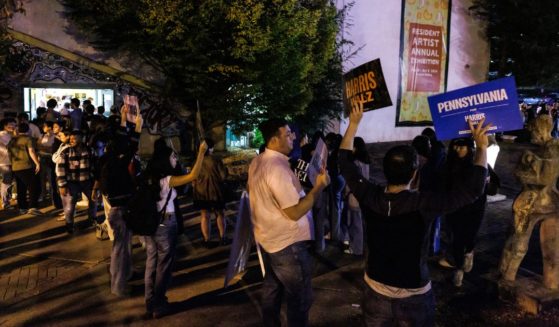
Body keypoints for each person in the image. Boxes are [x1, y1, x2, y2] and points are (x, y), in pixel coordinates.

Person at [339, 103, 490, 326]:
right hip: (413, 295)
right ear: (414, 173)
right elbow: (472, 190)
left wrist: (353, 124)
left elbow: (344, 163)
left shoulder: (369, 194)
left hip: (374, 288)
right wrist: (482, 148)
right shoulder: (424, 203)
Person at [248, 118, 330, 327]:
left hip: (269, 240)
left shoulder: (258, 161)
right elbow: (294, 212)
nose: (293, 137)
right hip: (288, 246)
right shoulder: (277, 169)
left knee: (272, 291)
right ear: (274, 140)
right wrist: (318, 187)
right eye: (287, 134)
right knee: (300, 299)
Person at [143, 140, 207, 318]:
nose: (175, 159)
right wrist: (201, 152)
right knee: (164, 266)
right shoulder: (167, 180)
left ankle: (149, 301)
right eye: (172, 156)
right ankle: (158, 304)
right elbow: (193, 176)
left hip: (151, 224)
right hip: (166, 224)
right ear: (165, 159)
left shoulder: (149, 177)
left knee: (152, 263)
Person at [99, 105, 143, 296]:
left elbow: (125, 141)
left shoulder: (106, 160)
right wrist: (138, 126)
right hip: (120, 209)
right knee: (120, 249)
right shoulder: (118, 163)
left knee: (123, 246)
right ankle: (118, 286)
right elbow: (132, 144)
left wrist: (125, 117)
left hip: (117, 208)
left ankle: (127, 274)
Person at [441, 137, 491, 287]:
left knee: (469, 235)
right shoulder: (449, 165)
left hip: (474, 209)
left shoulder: (478, 164)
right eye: (455, 147)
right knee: (456, 239)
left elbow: (488, 185)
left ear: (470, 148)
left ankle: (469, 253)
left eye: (462, 147)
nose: (458, 150)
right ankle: (458, 269)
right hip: (455, 208)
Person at [55, 130, 98, 234]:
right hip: (71, 183)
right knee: (69, 205)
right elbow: (60, 169)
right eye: (71, 138)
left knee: (94, 201)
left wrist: (96, 184)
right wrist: (62, 185)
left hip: (87, 182)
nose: (72, 140)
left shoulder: (90, 150)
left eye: (75, 138)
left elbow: (96, 167)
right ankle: (69, 224)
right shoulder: (65, 151)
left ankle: (92, 219)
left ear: (82, 138)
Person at [193, 138, 229, 246]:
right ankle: (223, 237)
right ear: (211, 148)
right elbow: (223, 176)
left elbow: (193, 177)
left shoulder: (197, 160)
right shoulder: (216, 159)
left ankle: (206, 239)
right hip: (215, 191)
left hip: (201, 192)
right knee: (220, 214)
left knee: (204, 215)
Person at [342, 136, 370, 256]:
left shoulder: (355, 163)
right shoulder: (366, 161)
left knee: (356, 223)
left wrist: (345, 192)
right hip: (364, 194)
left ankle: (356, 248)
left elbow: (352, 181)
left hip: (355, 196)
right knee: (359, 223)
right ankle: (358, 246)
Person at [8, 123, 42, 215]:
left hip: (15, 167)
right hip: (27, 166)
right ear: (28, 130)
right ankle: (32, 207)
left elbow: (10, 154)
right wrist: (37, 163)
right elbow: (31, 151)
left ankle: (22, 208)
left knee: (21, 188)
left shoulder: (13, 140)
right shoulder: (28, 139)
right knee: (34, 186)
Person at [0, 118, 16, 210]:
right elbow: (9, 146)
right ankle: (5, 203)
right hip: (5, 162)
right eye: (11, 124)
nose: (13, 126)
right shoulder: (3, 135)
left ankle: (6, 201)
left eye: (14, 124)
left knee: (8, 182)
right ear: (4, 126)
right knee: (6, 183)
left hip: (7, 162)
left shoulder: (7, 134)